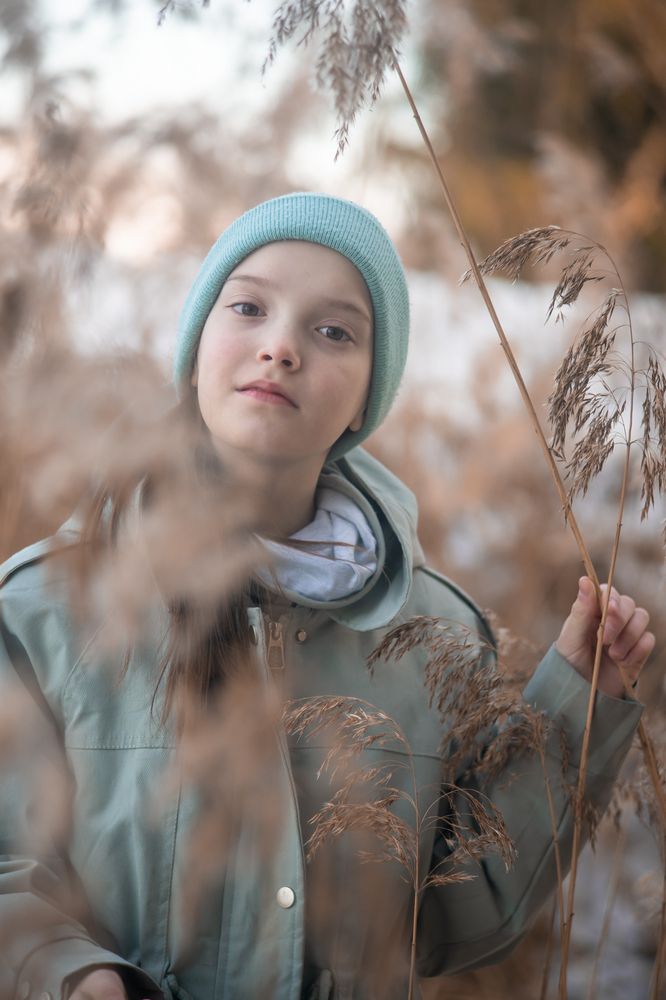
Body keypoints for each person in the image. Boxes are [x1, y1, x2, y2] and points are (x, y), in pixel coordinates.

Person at [0, 193, 654, 1000]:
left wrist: (578, 702)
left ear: (368, 394)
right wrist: (75, 978)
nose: (280, 348)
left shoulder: (432, 634)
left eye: (333, 330)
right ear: (197, 343)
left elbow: (455, 917)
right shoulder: (47, 607)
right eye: (248, 307)